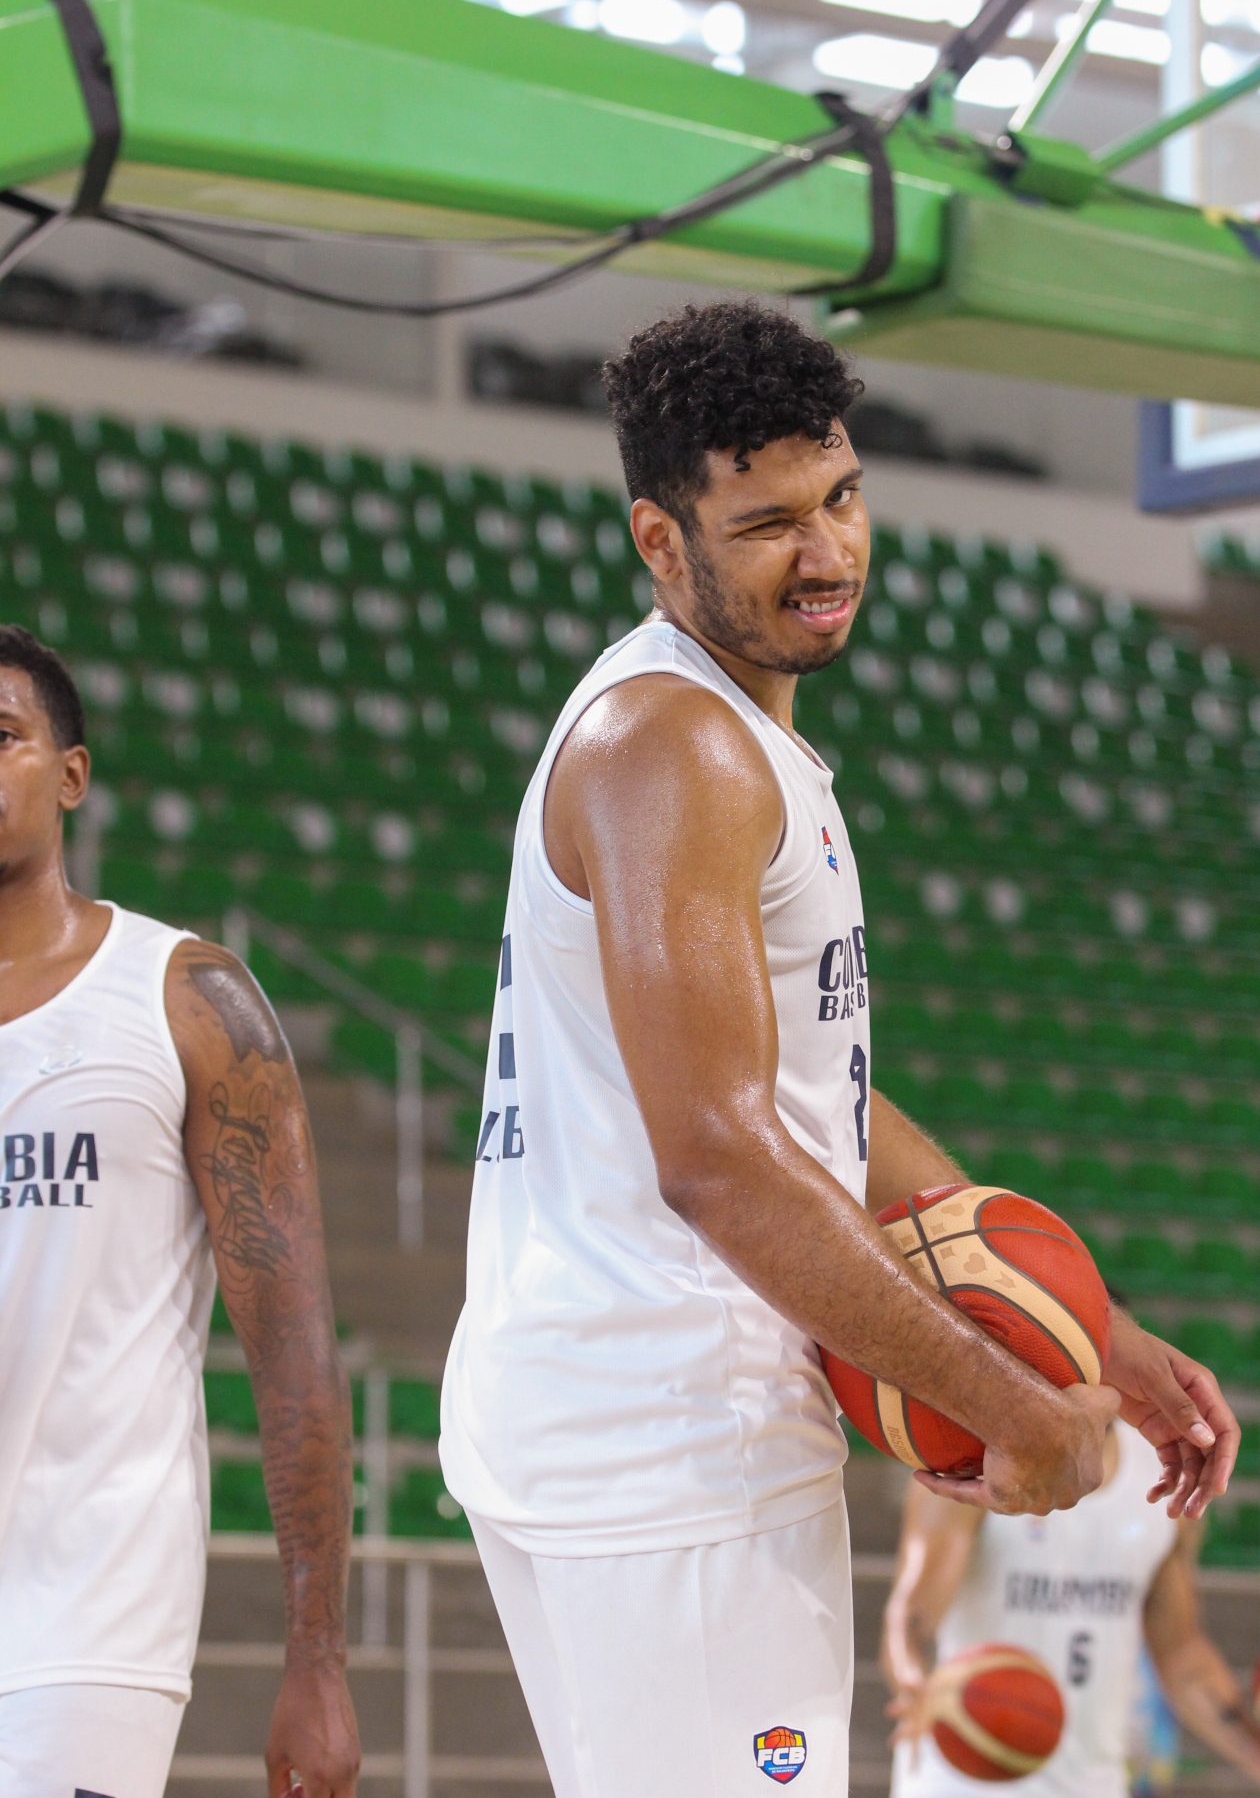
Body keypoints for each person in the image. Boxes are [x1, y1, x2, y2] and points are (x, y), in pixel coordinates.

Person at [439, 301, 1237, 1798]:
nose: (827, 553)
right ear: (660, 544)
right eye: (766, 525)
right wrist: (1015, 1407)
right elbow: (726, 1161)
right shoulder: (671, 749)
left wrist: (1094, 1340)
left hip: (644, 1431)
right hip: (671, 1444)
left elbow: (825, 1099)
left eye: (843, 497)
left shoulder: (733, 737)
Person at [0, 624, 360, 1798]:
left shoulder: (190, 1001)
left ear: (71, 773)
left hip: (87, 1610)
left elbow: (294, 1350)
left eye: (0, 737)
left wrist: (318, 1657)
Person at [883, 1417, 1260, 1795]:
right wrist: (911, 1676)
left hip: (1094, 1783)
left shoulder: (1165, 1474)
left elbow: (1182, 1655)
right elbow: (913, 1615)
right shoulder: (972, 1458)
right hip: (963, 1777)